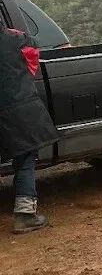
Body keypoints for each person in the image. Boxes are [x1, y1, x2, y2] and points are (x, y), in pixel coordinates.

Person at [0, 25, 58, 233]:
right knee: (25, 160)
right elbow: (31, 63)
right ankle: (25, 215)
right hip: (20, 111)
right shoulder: (18, 39)